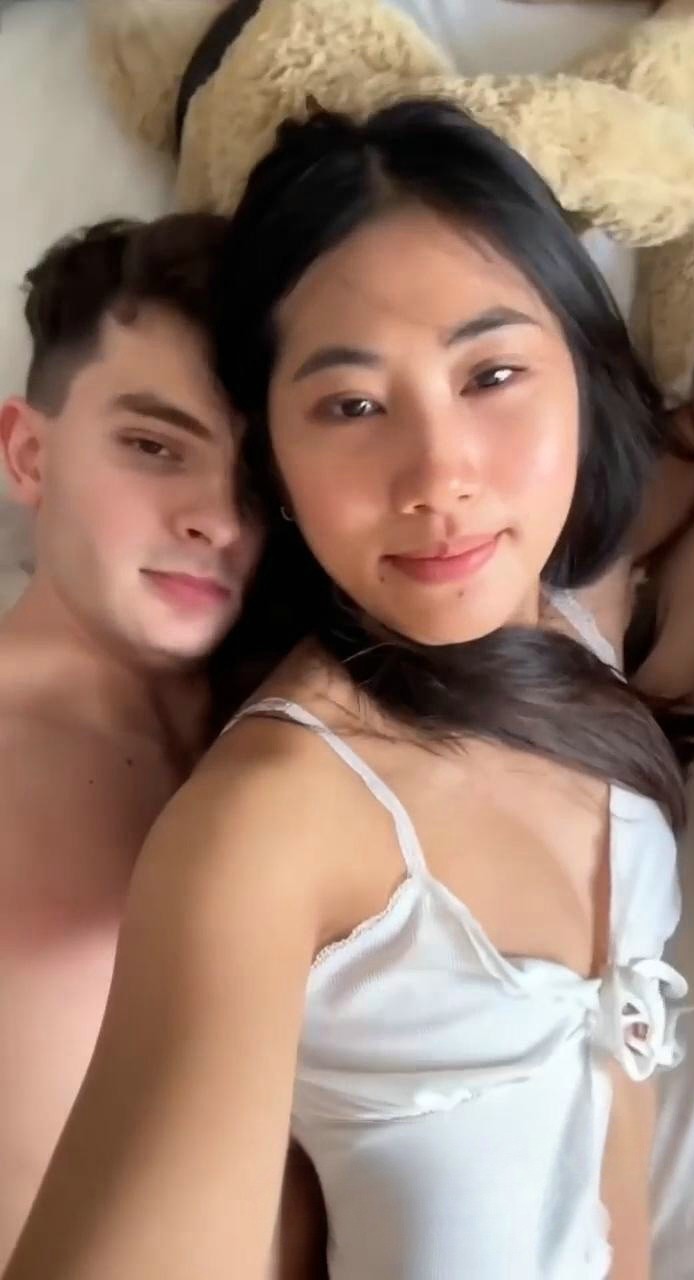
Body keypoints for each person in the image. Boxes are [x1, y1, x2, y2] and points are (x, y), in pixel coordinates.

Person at [5, 100, 694, 1280]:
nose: (441, 478)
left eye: (493, 372)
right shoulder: (262, 830)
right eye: (352, 406)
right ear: (282, 463)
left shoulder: (558, 614)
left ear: (581, 381)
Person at [0, 214, 263, 1270]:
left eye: (260, 476)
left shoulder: (307, 714)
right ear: (29, 453)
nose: (218, 518)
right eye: (155, 446)